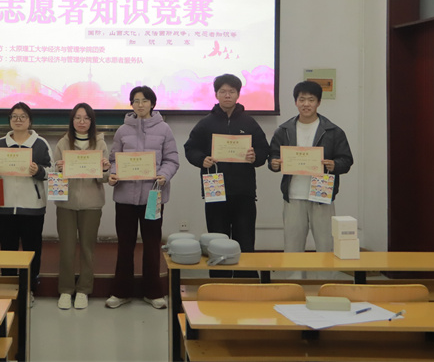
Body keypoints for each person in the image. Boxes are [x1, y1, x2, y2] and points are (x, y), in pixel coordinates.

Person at [184, 74, 269, 269]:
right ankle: (218, 281)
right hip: (215, 191)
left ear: (238, 94)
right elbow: (191, 148)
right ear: (216, 94)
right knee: (217, 241)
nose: (227, 95)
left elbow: (264, 150)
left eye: (231, 91)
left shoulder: (249, 123)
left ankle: (246, 281)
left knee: (245, 240)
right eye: (223, 91)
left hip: (244, 192)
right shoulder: (206, 123)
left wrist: (255, 156)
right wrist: (201, 159)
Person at [106, 86, 179, 310]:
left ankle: (153, 292)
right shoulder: (122, 130)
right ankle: (121, 292)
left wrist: (164, 175)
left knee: (152, 244)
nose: (140, 104)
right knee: (125, 245)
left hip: (153, 196)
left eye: (145, 100)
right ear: (131, 104)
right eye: (136, 101)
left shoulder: (164, 129)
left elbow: (172, 159)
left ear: (152, 103)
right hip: (125, 198)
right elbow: (113, 159)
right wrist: (113, 174)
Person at [268, 81, 354, 256]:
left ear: (318, 102)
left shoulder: (333, 131)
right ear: (295, 102)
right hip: (293, 194)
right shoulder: (284, 130)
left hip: (322, 194)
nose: (306, 104)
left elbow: (346, 160)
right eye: (302, 99)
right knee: (292, 246)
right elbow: (273, 155)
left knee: (326, 245)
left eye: (311, 100)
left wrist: (334, 165)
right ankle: (294, 275)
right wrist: (274, 163)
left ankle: (325, 275)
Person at [0, 102, 52, 305]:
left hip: (33, 207)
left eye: (23, 116)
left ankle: (29, 288)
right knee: (7, 250)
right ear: (10, 120)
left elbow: (52, 172)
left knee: (32, 250)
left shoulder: (40, 143)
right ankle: (9, 288)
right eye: (14, 116)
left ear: (30, 120)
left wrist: (38, 170)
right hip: (4, 206)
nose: (18, 120)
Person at [53, 103, 110, 310]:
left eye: (86, 118)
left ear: (91, 121)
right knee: (67, 249)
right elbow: (55, 177)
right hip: (66, 204)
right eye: (78, 118)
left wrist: (104, 170)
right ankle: (66, 290)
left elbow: (104, 179)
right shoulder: (62, 143)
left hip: (92, 204)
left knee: (87, 249)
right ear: (72, 121)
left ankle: (84, 290)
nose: (82, 122)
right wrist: (58, 170)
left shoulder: (100, 144)